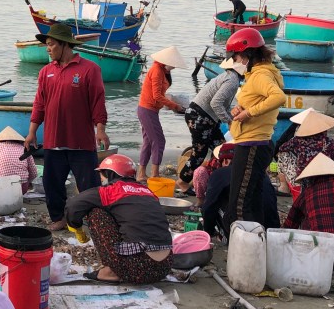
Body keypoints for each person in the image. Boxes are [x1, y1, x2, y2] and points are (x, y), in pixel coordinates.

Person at [26, 22, 108, 232]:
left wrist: (100, 130)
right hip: (53, 140)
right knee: (52, 184)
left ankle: (94, 219)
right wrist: (32, 132)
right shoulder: (46, 72)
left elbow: (98, 101)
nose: (48, 48)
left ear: (64, 44)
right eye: (47, 44)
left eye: (51, 44)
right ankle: (58, 217)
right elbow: (39, 104)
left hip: (81, 142)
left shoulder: (90, 69)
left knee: (89, 185)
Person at [65, 154, 172, 284]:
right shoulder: (148, 192)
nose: (101, 178)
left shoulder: (111, 191)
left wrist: (76, 227)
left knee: (96, 213)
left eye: (102, 174)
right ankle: (120, 266)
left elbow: (73, 206)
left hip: (138, 269)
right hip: (164, 266)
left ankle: (111, 272)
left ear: (110, 174)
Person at [224, 27, 286, 230]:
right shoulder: (259, 74)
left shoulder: (260, 75)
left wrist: (249, 113)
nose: (235, 61)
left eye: (236, 57)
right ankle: (258, 237)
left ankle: (243, 240)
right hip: (256, 141)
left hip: (252, 143)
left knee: (239, 203)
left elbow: (278, 97)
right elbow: (257, 100)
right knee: (252, 198)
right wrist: (240, 108)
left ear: (248, 55)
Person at [177, 57, 246, 192]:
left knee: (221, 148)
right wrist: (228, 121)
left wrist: (232, 118)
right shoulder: (232, 81)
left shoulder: (230, 77)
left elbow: (223, 105)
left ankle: (214, 179)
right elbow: (215, 103)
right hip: (199, 116)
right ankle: (182, 181)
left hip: (206, 117)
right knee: (200, 152)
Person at [201, 143, 280, 239]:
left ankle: (227, 237)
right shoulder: (263, 175)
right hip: (271, 229)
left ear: (225, 161)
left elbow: (208, 207)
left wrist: (208, 231)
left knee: (214, 203)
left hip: (244, 232)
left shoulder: (220, 173)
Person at [137, 46, 188, 183]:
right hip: (147, 109)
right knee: (159, 141)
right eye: (173, 64)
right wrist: (174, 106)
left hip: (149, 109)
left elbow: (159, 95)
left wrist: (170, 103)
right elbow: (157, 96)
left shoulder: (163, 71)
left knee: (148, 141)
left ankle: (141, 174)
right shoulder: (157, 71)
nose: (174, 67)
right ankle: (154, 174)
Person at [276, 110, 334, 192]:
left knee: (282, 154)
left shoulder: (297, 141)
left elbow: (282, 148)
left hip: (304, 178)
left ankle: (284, 185)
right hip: (327, 176)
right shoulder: (330, 142)